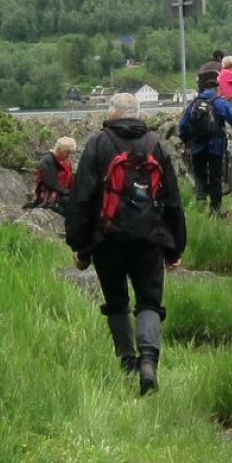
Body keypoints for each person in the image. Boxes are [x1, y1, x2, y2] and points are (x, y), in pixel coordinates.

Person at [67, 93, 187, 396]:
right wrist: (175, 248)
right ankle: (149, 361)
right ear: (138, 114)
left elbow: (82, 197)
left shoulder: (98, 143)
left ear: (112, 113)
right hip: (150, 239)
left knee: (117, 301)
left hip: (107, 238)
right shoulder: (155, 144)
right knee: (149, 301)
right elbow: (172, 200)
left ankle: (127, 363)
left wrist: (80, 247)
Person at [178, 71, 232, 217]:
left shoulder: (194, 103)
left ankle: (201, 204)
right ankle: (215, 209)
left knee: (200, 176)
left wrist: (186, 141)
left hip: (197, 147)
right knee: (216, 177)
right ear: (218, 89)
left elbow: (183, 125)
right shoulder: (221, 103)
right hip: (215, 146)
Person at [27, 137, 76, 211]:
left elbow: (70, 179)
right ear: (60, 149)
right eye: (67, 152)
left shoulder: (65, 161)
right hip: (49, 196)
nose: (68, 155)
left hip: (62, 193)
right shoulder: (47, 161)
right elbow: (52, 184)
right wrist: (69, 193)